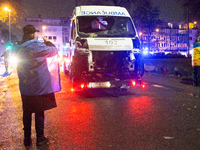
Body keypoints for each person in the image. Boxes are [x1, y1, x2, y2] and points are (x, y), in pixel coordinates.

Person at [16, 24, 60, 147]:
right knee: (39, 112)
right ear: (33, 34)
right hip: (39, 87)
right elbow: (54, 51)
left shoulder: (19, 47)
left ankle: (27, 139)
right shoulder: (39, 46)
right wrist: (48, 42)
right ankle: (40, 138)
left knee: (27, 112)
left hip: (25, 87)